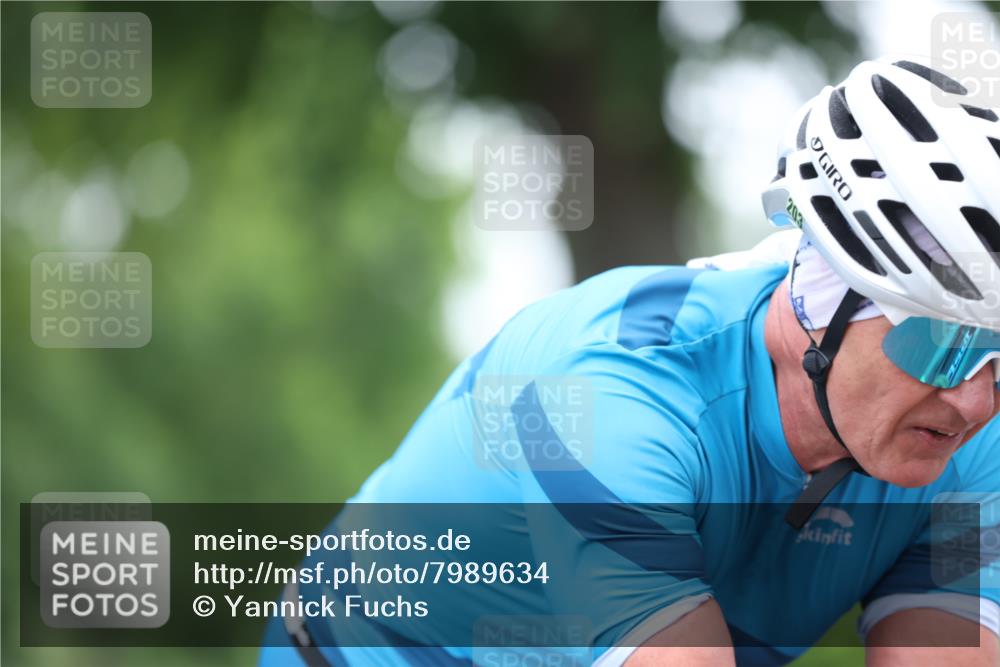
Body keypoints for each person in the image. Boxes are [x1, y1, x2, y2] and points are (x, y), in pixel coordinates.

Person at [260, 56, 1000, 667]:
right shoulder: (614, 397)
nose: (975, 401)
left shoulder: (973, 444)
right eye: (943, 347)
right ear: (821, 304)